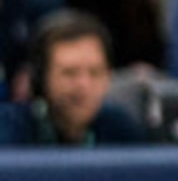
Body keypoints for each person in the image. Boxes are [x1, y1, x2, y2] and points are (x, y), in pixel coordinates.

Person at [0, 10, 147, 146]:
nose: (83, 84)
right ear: (41, 78)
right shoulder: (8, 130)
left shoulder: (121, 130)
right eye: (69, 73)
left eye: (95, 73)